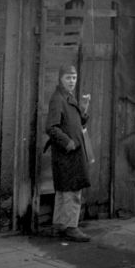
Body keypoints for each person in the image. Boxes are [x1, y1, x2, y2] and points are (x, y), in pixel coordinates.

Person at [46, 64, 91, 242]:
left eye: (74, 77)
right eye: (68, 78)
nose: (72, 81)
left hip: (70, 153)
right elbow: (50, 127)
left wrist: (84, 107)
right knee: (72, 190)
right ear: (60, 79)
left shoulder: (67, 97)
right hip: (68, 152)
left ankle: (59, 225)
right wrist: (68, 142)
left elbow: (78, 122)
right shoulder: (58, 99)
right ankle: (71, 227)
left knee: (64, 189)